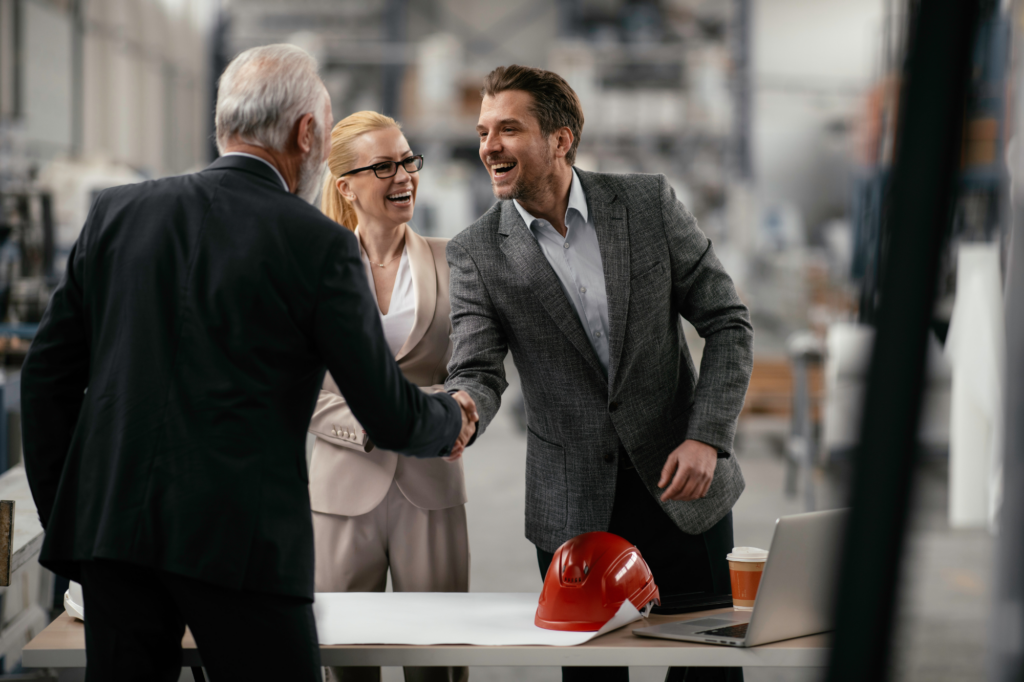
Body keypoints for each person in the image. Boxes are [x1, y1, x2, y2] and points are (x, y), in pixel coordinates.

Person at [19, 45, 477, 682]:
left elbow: (46, 381)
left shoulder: (118, 214)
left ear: (223, 125)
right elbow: (387, 411)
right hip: (241, 546)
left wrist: (71, 520)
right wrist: (449, 416)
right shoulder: (316, 244)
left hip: (113, 540)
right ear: (308, 133)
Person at [444, 64, 753, 682]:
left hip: (683, 487)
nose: (489, 146)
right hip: (573, 509)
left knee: (709, 667)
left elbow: (727, 321)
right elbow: (478, 368)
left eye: (508, 129)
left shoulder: (646, 203)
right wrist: (461, 410)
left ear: (561, 139)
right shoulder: (477, 251)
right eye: (483, 132)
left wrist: (707, 436)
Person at [309, 111, 469, 682]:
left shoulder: (456, 261)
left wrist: (460, 409)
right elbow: (304, 388)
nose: (403, 175)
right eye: (383, 166)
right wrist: (387, 418)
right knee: (346, 663)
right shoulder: (314, 266)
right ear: (345, 184)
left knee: (438, 664)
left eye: (407, 160)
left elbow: (473, 368)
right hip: (341, 489)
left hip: (431, 485)